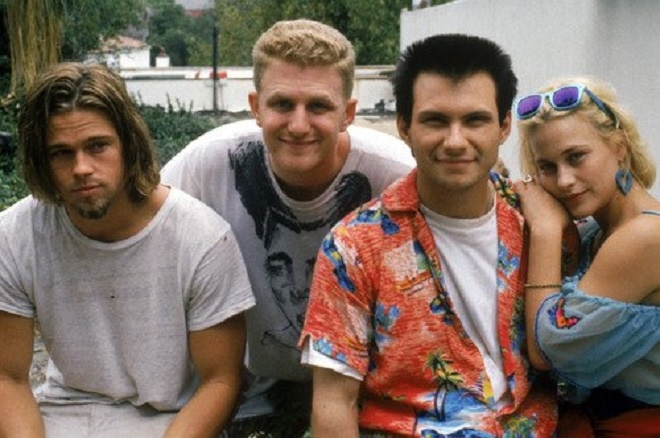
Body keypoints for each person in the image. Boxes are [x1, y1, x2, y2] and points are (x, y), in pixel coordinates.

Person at [300, 33, 579, 436]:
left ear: (504, 126)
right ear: (404, 127)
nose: (455, 141)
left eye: (475, 120)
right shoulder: (354, 248)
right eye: (436, 121)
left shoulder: (542, 224)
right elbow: (334, 400)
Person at [160, 19, 415, 436]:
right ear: (255, 107)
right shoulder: (208, 163)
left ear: (348, 113)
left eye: (318, 106)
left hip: (367, 389)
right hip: (247, 388)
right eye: (282, 104)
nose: (298, 125)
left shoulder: (396, 174)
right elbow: (145, 237)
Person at [0, 62, 255, 437]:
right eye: (61, 153)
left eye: (97, 146)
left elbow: (221, 381)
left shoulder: (202, 239)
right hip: (63, 415)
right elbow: (7, 378)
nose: (81, 168)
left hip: (171, 421)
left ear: (128, 144)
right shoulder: (15, 236)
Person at [513, 76, 660, 437]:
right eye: (547, 167)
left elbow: (546, 351)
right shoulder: (596, 231)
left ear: (619, 147)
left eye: (576, 157)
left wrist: (546, 231)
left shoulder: (645, 236)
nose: (564, 180)